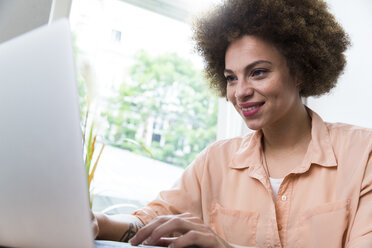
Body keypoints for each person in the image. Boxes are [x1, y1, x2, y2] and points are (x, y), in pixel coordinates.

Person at [92, 0, 372, 247]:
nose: (240, 92)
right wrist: (99, 222)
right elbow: (154, 219)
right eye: (231, 78)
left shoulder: (362, 155)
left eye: (258, 72)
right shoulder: (216, 161)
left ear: (299, 71)